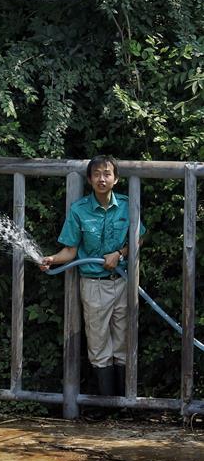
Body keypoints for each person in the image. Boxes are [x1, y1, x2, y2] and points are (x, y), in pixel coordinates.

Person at [39, 155, 145, 396]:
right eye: (96, 174)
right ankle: (107, 405)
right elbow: (70, 250)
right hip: (93, 284)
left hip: (124, 282)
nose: (102, 179)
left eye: (107, 174)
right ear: (89, 179)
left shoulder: (129, 205)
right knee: (98, 344)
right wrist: (52, 259)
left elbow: (138, 238)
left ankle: (124, 404)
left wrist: (119, 253)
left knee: (124, 342)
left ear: (116, 179)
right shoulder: (79, 210)